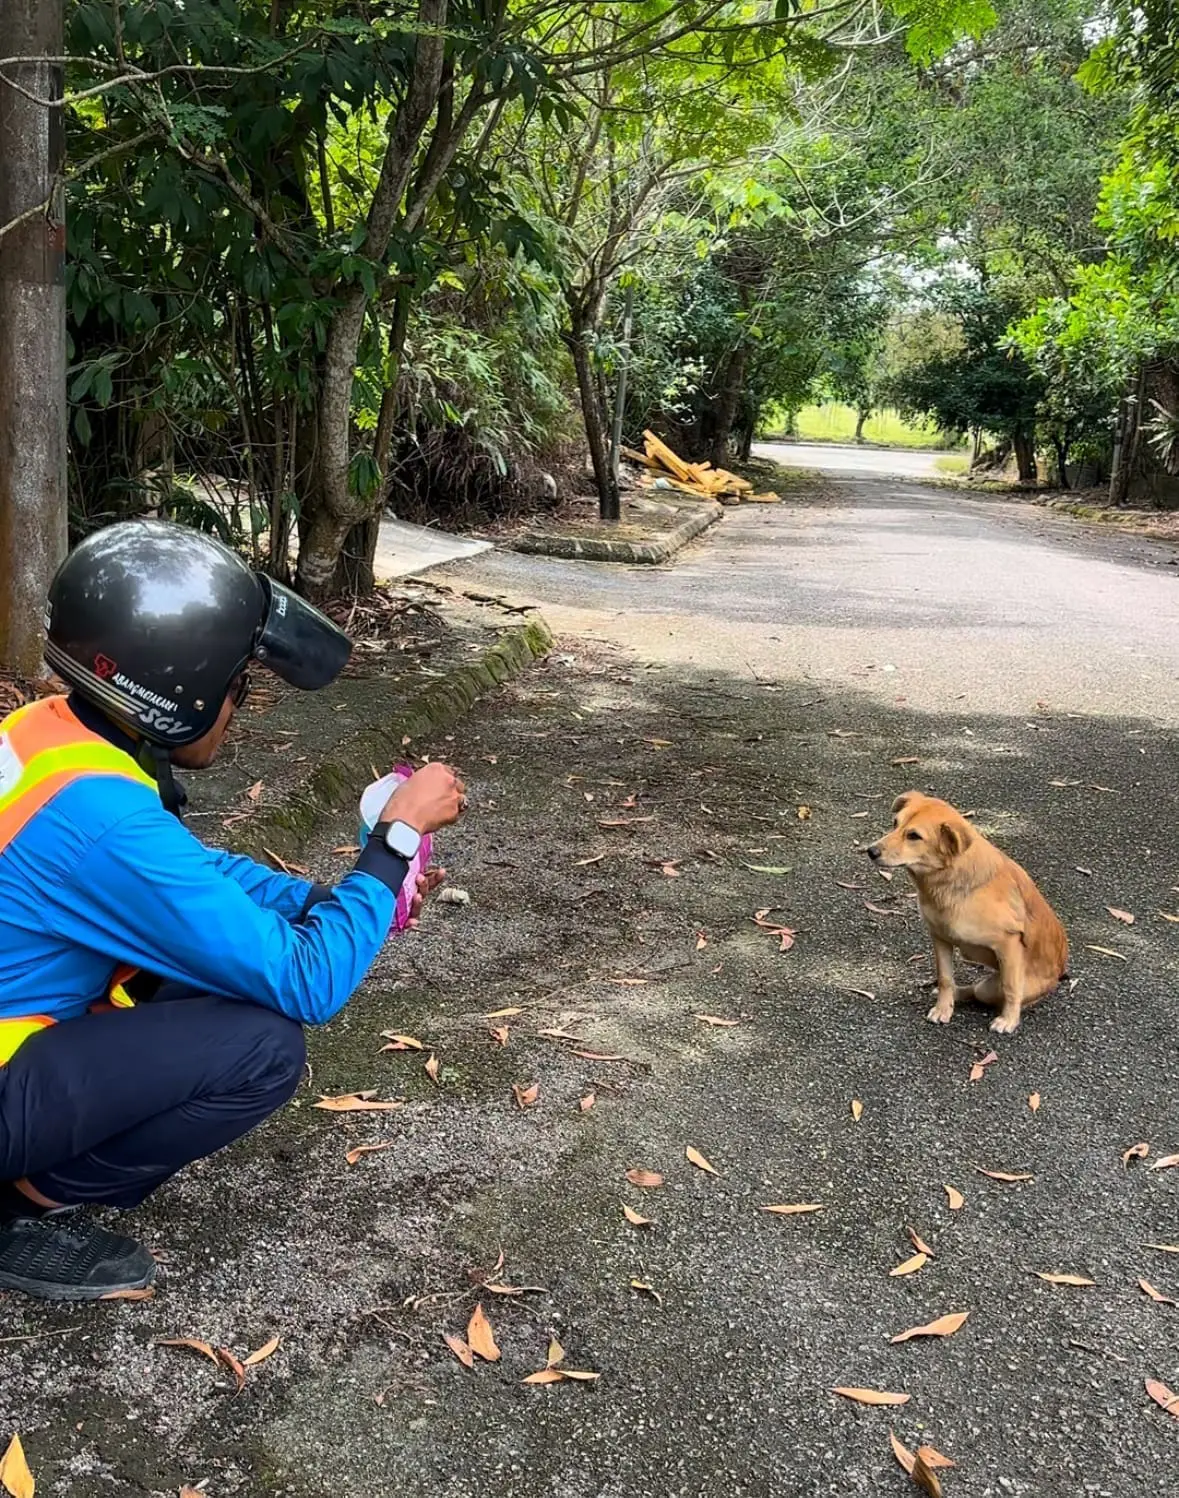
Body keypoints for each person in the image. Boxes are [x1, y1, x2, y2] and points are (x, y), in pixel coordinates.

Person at [0, 519, 465, 1301]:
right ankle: (14, 1214)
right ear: (182, 689)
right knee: (262, 1048)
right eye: (238, 686)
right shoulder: (104, 820)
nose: (239, 705)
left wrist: (328, 898)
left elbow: (197, 874)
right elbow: (309, 984)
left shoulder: (45, 735)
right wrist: (394, 841)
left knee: (200, 976)